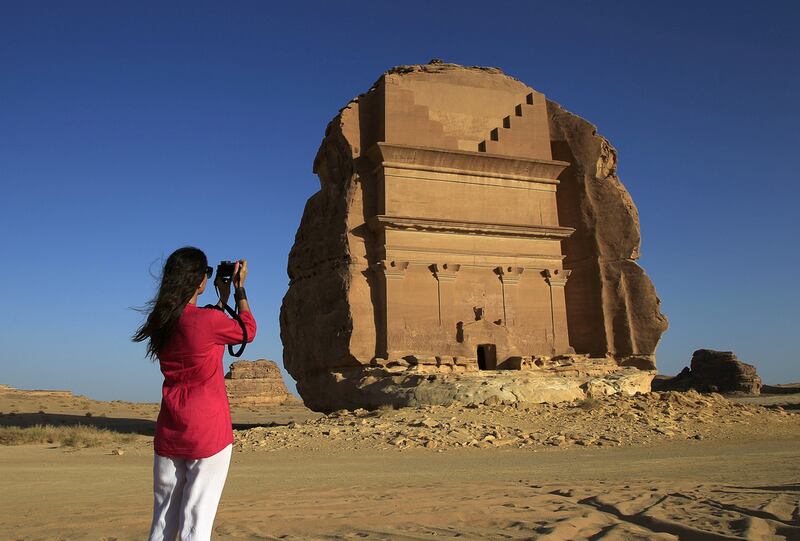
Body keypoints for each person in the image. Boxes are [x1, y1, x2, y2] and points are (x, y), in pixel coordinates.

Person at [132, 246, 256, 541]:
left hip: (170, 428)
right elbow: (248, 330)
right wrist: (240, 291)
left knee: (163, 521)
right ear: (199, 280)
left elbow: (198, 325)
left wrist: (220, 301)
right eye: (207, 272)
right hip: (208, 432)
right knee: (196, 522)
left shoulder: (161, 321)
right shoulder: (207, 322)